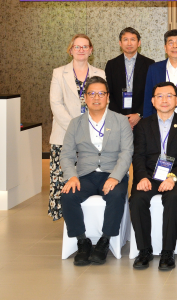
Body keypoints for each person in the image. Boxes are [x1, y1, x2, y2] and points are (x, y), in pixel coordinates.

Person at [59, 76, 133, 266]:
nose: (96, 97)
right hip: (85, 174)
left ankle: (104, 241)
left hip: (112, 172)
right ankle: (82, 242)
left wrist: (116, 177)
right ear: (85, 97)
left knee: (116, 195)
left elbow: (127, 152)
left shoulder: (120, 121)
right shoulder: (75, 123)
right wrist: (72, 176)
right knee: (68, 195)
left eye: (101, 93)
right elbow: (66, 154)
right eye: (92, 93)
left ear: (108, 97)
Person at [129, 82, 177, 271]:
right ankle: (144, 250)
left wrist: (172, 177)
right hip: (149, 174)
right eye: (159, 96)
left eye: (169, 96)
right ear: (152, 100)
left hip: (176, 176)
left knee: (173, 199)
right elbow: (138, 155)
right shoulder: (142, 125)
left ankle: (167, 252)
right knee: (137, 200)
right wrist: (141, 177)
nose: (164, 100)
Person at [48, 34, 106, 221]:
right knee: (65, 180)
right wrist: (76, 129)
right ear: (70, 49)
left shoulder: (100, 73)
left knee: (86, 180)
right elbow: (55, 103)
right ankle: (70, 222)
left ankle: (87, 221)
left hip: (92, 136)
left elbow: (104, 102)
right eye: (77, 46)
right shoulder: (59, 73)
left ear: (91, 50)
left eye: (85, 46)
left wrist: (89, 128)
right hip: (64, 135)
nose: (81, 50)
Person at [105, 27, 155, 128]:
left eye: (132, 39)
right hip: (117, 118)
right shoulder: (111, 64)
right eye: (125, 39)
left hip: (142, 118)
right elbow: (108, 93)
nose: (129, 43)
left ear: (139, 43)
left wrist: (139, 114)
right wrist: (120, 116)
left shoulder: (149, 64)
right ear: (120, 43)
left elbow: (151, 92)